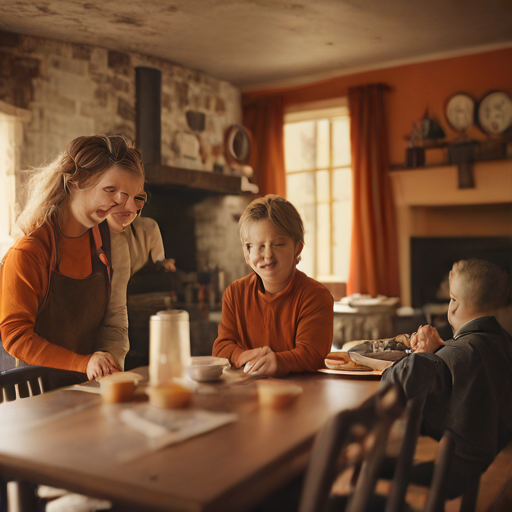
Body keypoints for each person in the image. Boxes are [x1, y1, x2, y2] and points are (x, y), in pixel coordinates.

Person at [0, 134, 145, 381]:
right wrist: (83, 363)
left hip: (82, 385)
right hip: (28, 396)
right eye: (110, 191)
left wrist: (107, 371)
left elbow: (114, 323)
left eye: (132, 197)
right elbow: (16, 337)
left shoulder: (109, 245)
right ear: (75, 182)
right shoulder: (29, 252)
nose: (120, 207)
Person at [381, 258, 512, 497]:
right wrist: (437, 351)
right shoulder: (503, 341)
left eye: (452, 298)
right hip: (481, 463)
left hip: (452, 474)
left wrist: (423, 354)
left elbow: (391, 383)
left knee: (374, 462)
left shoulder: (453, 355)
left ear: (454, 306)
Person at [212, 195, 333, 377]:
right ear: (247, 252)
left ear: (297, 249)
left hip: (303, 395)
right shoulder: (235, 293)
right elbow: (221, 347)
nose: (267, 254)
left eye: (277, 244)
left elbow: (313, 353)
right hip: (247, 394)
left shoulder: (315, 296)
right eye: (259, 246)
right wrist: (244, 355)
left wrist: (278, 361)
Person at [96, 198, 176, 367]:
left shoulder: (148, 228)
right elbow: (159, 263)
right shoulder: (103, 233)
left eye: (137, 199)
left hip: (132, 301)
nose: (130, 207)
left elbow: (159, 263)